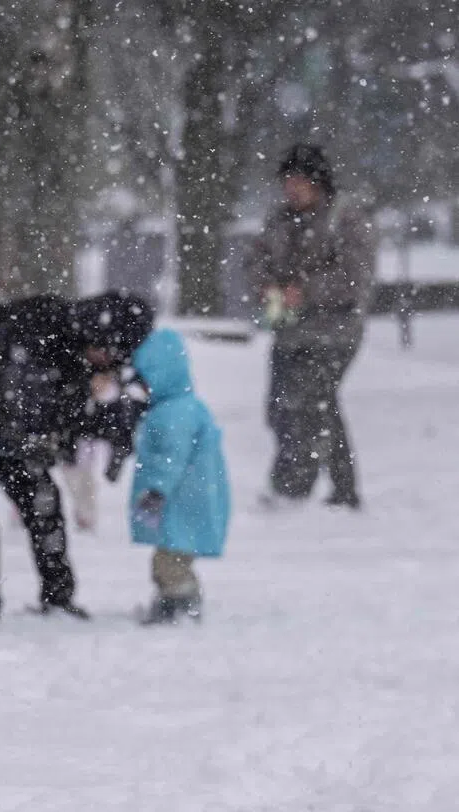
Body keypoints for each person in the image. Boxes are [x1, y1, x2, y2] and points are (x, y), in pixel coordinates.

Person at [0, 290, 153, 622]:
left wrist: (106, 418)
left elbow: (68, 418)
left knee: (43, 501)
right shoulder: (37, 332)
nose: (107, 363)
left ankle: (58, 598)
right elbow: (21, 402)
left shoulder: (73, 350)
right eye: (108, 354)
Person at [248, 144, 376, 510]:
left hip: (335, 331)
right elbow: (255, 260)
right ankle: (334, 487)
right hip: (290, 332)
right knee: (281, 407)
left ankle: (296, 486)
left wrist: (304, 291)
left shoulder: (345, 219)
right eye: (286, 181)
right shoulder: (278, 219)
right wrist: (266, 287)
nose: (291, 189)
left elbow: (355, 278)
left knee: (312, 401)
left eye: (298, 182)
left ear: (318, 183)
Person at [128, 329, 230, 625]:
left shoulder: (175, 413)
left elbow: (172, 458)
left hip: (179, 500)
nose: (142, 388)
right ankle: (173, 601)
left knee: (170, 559)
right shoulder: (180, 408)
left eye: (146, 380)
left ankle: (181, 605)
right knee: (170, 555)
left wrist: (157, 490)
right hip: (185, 499)